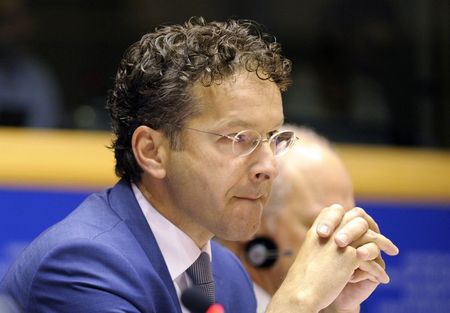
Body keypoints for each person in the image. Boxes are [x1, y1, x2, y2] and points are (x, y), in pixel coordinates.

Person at [0, 17, 398, 313]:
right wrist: (299, 300)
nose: (269, 168)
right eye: (238, 138)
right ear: (152, 152)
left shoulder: (225, 275)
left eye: (273, 139)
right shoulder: (82, 266)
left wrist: (332, 309)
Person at [222, 125, 360, 312]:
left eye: (347, 224)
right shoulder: (206, 301)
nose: (345, 243)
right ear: (254, 223)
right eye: (323, 226)